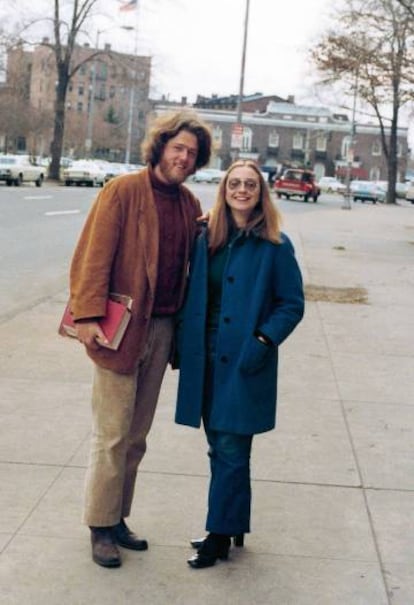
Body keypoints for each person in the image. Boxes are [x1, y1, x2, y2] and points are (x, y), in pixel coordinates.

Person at [68, 111, 212, 568]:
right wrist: (87, 315)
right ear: (160, 147)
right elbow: (93, 255)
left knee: (136, 436)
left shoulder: (189, 204)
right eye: (178, 149)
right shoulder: (124, 191)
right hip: (120, 328)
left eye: (192, 153)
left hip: (163, 328)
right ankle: (99, 526)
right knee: (111, 435)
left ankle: (118, 517)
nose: (184, 158)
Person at [174, 159, 304, 569]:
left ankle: (218, 536)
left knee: (231, 449)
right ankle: (230, 524)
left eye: (250, 184)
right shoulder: (205, 236)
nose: (242, 190)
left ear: (260, 193)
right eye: (235, 183)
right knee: (220, 448)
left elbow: (291, 304)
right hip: (205, 357)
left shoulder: (275, 245)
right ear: (224, 189)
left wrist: (263, 340)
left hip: (245, 361)